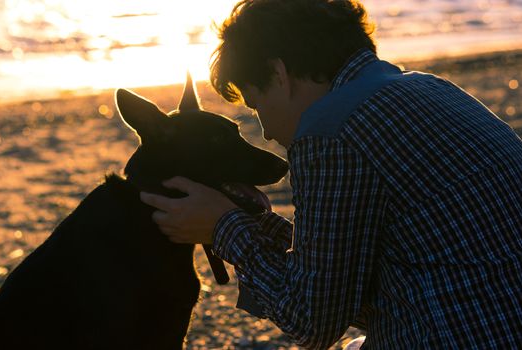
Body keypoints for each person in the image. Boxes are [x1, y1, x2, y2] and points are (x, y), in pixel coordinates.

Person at [140, 0, 522, 348]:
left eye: (257, 106)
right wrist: (254, 225)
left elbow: (312, 322)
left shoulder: (330, 131)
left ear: (278, 73)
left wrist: (223, 228)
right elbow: (347, 274)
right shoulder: (430, 88)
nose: (268, 131)